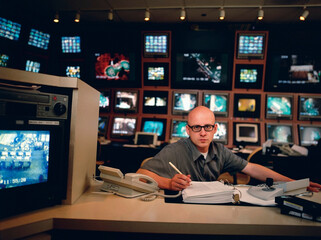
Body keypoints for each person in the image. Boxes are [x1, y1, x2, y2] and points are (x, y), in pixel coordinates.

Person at [137, 106, 321, 192]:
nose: (202, 133)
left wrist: (294, 183)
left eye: (207, 127)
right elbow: (140, 175)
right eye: (196, 128)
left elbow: (252, 169)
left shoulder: (219, 150)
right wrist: (168, 183)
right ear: (187, 130)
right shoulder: (174, 151)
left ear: (215, 129)